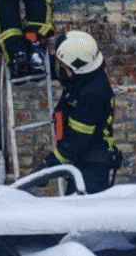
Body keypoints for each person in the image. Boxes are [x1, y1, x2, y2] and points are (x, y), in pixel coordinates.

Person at [42, 31, 121, 193]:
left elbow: (75, 142)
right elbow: (60, 69)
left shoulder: (93, 94)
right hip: (81, 161)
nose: (61, 70)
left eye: (64, 67)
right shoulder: (84, 76)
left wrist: (46, 168)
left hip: (91, 168)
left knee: (81, 215)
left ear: (76, 68)